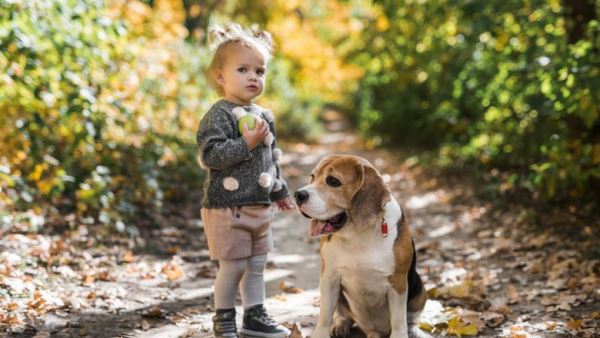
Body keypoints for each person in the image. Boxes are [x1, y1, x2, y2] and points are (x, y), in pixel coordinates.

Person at [197, 24, 294, 338]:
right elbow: (210, 155)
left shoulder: (265, 115)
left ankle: (254, 317)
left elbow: (271, 157)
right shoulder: (219, 115)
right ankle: (223, 318)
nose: (254, 77)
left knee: (256, 266)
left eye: (260, 71)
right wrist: (246, 144)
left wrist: (278, 188)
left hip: (259, 206)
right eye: (243, 69)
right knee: (234, 266)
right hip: (227, 208)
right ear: (221, 77)